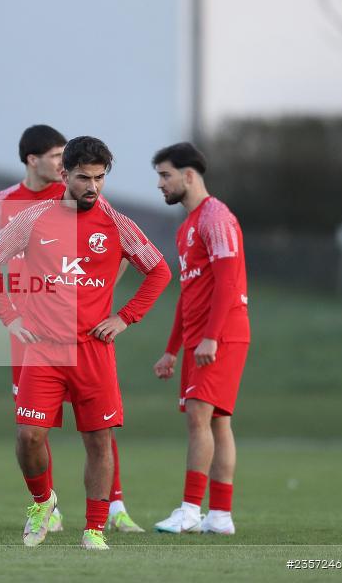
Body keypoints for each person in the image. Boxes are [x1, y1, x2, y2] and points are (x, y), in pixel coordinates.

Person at [0, 136, 171, 549]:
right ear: (64, 175)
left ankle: (95, 530)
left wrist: (124, 317)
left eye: (100, 178)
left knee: (99, 440)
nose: (93, 187)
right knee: (28, 436)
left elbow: (158, 271)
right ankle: (42, 502)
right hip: (44, 348)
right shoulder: (34, 218)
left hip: (93, 351)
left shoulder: (116, 223)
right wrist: (7, 314)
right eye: (84, 177)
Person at [151, 142, 250, 535]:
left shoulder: (216, 218)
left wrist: (211, 337)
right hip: (199, 338)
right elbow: (188, 292)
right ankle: (220, 516)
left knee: (199, 418)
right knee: (218, 424)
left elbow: (228, 281)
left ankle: (190, 511)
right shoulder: (186, 228)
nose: (160, 184)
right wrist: (171, 349)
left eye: (165, 175)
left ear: (188, 175)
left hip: (220, 335)